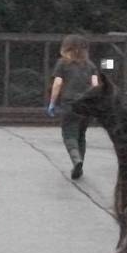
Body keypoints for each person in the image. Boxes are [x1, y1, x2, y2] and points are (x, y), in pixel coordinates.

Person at [46, 34, 100, 179]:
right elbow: (95, 85)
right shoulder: (90, 65)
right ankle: (80, 164)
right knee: (81, 135)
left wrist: (52, 103)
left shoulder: (63, 63)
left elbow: (57, 83)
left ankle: (76, 160)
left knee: (69, 134)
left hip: (70, 105)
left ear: (66, 47)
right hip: (87, 106)